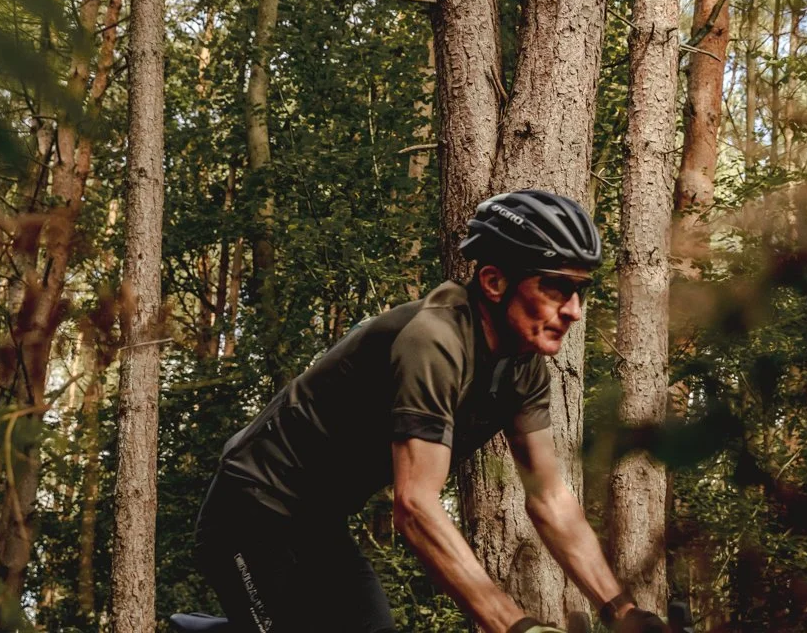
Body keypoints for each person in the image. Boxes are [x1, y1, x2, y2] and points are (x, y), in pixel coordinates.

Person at [194, 189, 669, 633]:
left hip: (317, 524)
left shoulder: (523, 368)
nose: (574, 310)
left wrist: (622, 611)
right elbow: (416, 507)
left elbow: (549, 499)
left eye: (581, 290)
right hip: (250, 508)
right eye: (555, 287)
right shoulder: (435, 341)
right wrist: (515, 625)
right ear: (494, 281)